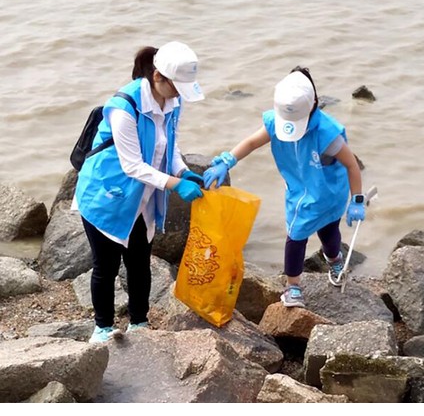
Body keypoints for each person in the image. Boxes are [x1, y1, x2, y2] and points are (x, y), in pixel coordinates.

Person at [74, 41, 205, 342]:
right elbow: (132, 165)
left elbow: (169, 146)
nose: (180, 95)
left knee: (139, 262)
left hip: (144, 198)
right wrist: (175, 184)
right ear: (158, 77)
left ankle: (139, 324)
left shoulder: (172, 101)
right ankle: (103, 328)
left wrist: (183, 171)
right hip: (107, 194)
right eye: (178, 87)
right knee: (105, 266)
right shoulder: (124, 107)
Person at [203, 66, 366, 308]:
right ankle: (293, 286)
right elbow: (251, 142)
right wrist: (228, 160)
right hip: (299, 192)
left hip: (329, 193)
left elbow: (352, 165)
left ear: (313, 105)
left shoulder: (327, 135)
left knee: (329, 231)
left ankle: (334, 259)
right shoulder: (274, 122)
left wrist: (357, 200)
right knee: (296, 234)